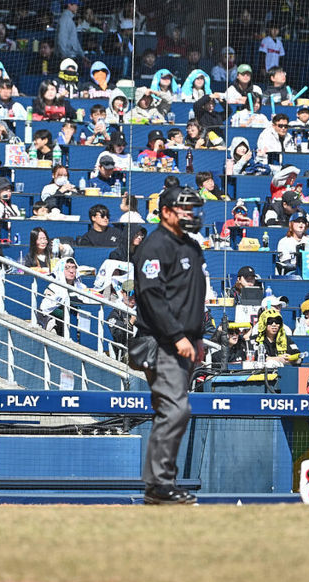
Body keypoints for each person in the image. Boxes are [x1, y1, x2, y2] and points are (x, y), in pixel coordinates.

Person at [133, 186, 206, 505]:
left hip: (185, 342)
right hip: (162, 343)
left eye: (194, 209)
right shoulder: (155, 245)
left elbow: (192, 297)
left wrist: (198, 336)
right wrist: (178, 336)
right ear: (165, 211)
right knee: (176, 409)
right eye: (184, 209)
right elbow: (151, 296)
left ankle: (160, 486)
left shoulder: (190, 245)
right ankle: (160, 484)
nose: (191, 215)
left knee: (172, 410)